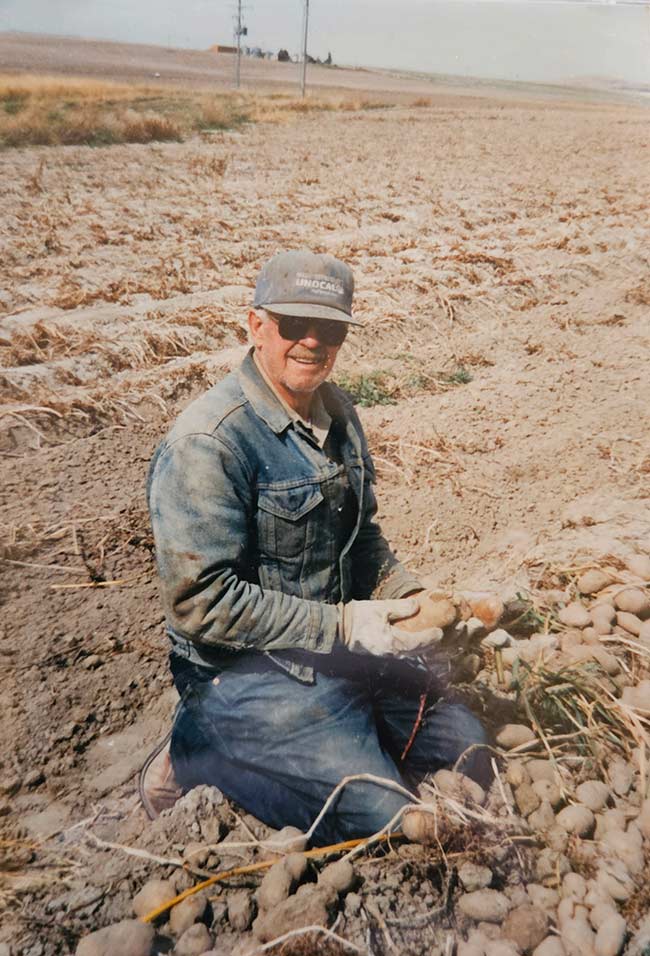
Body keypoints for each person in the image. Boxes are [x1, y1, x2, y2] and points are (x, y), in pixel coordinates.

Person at [141, 250, 489, 845]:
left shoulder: (340, 414)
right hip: (241, 672)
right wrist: (347, 626)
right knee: (379, 816)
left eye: (327, 329)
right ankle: (196, 748)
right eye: (292, 325)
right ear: (255, 325)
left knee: (470, 750)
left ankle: (339, 732)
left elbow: (362, 544)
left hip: (331, 653)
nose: (310, 343)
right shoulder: (209, 443)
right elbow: (201, 604)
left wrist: (412, 598)